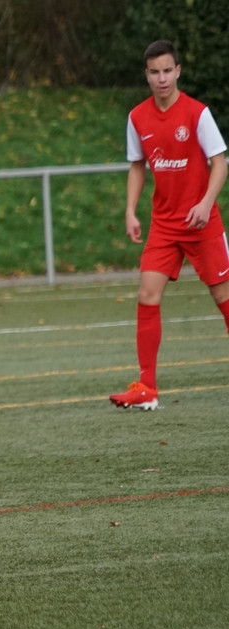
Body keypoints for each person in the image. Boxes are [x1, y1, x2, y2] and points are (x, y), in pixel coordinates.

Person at [110, 40, 229, 410]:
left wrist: (205, 204)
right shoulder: (137, 118)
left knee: (224, 299)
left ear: (178, 71)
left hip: (202, 223)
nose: (161, 78)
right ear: (146, 75)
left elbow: (220, 163)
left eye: (167, 70)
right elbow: (137, 166)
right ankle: (146, 389)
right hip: (164, 225)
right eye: (154, 72)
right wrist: (131, 211)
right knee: (147, 295)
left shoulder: (197, 113)